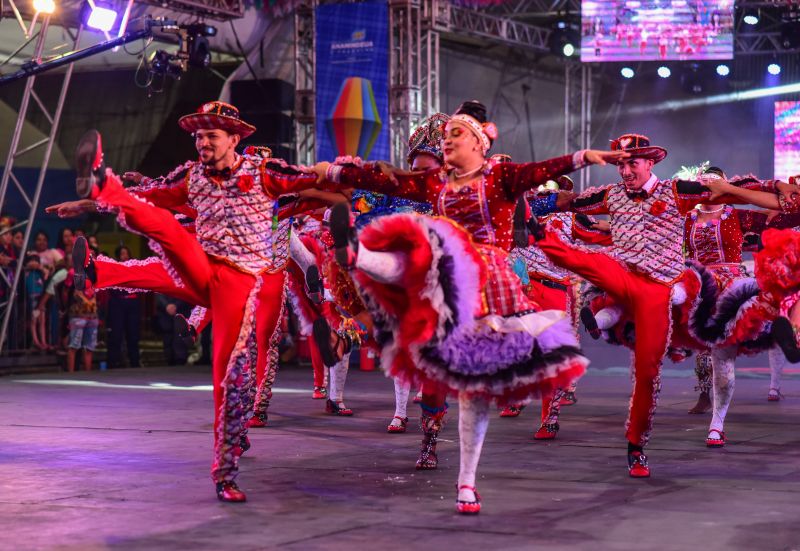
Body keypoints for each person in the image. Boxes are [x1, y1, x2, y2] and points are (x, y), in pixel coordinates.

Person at [313, 100, 625, 513]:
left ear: (478, 143)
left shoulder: (502, 177)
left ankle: (466, 481)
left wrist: (585, 157)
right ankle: (356, 262)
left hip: (487, 282)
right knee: (417, 257)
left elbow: (544, 172)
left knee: (469, 392)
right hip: (439, 275)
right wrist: (335, 172)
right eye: (439, 142)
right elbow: (387, 183)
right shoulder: (434, 183)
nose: (444, 146)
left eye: (452, 137)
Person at [67, 101, 329, 502]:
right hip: (214, 274)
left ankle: (250, 414)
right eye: (200, 136)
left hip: (259, 281)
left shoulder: (284, 203)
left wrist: (353, 191)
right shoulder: (208, 182)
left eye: (214, 136)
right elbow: (167, 199)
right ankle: (104, 273)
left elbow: (315, 203)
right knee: (170, 263)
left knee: (256, 348)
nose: (247, 173)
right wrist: (96, 200)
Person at [526, 133, 789, 477]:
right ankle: (584, 292)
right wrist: (527, 203)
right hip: (623, 276)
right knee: (586, 261)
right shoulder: (610, 195)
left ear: (650, 163)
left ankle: (636, 447)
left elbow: (731, 192)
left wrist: (778, 193)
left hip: (660, 290)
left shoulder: (677, 191)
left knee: (648, 372)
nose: (624, 170)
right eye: (620, 164)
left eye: (631, 162)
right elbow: (570, 201)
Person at [105, 245, 142, 369]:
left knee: (133, 335)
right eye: (122, 254)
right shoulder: (114, 270)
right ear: (118, 257)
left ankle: (135, 362)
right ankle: (113, 363)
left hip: (132, 305)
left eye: (126, 254)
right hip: (118, 304)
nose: (125, 256)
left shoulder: (135, 270)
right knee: (116, 335)